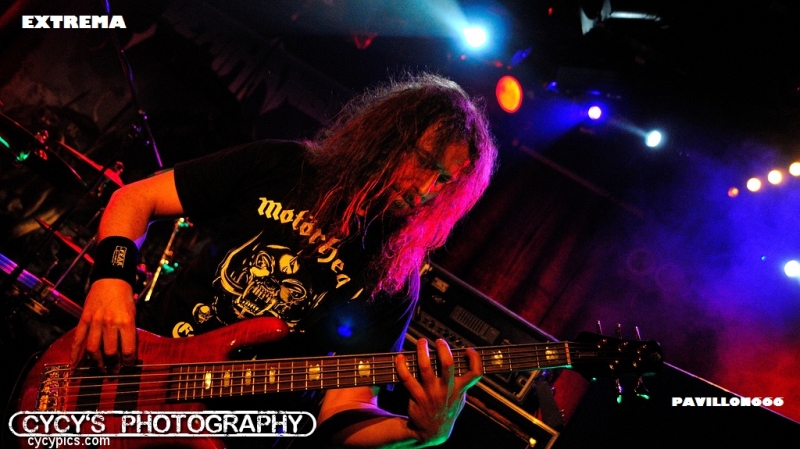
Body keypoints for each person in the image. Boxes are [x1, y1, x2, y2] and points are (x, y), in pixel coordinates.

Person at [70, 73, 497, 447]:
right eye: (424, 162)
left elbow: (344, 406)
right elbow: (135, 199)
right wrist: (111, 282)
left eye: (444, 180)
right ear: (390, 136)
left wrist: (420, 433)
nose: (425, 188)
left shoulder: (394, 276)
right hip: (127, 378)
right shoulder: (281, 166)